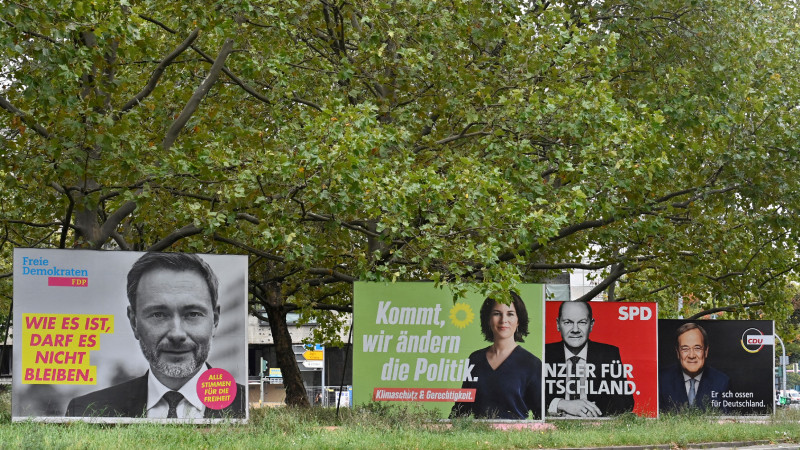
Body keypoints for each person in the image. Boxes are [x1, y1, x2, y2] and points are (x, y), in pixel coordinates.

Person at [66, 252, 245, 419]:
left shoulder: (248, 406)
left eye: (192, 314)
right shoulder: (87, 410)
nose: (177, 334)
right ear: (134, 322)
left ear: (215, 320)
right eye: (158, 314)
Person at [451, 292, 542, 420]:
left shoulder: (532, 364)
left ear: (518, 320)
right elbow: (461, 409)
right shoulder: (475, 359)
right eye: (496, 313)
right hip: (477, 436)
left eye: (510, 314)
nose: (503, 320)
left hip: (515, 437)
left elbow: (541, 414)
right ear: (488, 319)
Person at [545, 301, 634, 417]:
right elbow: (527, 398)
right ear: (558, 324)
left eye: (582, 322)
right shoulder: (544, 353)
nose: (575, 329)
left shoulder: (608, 354)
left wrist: (587, 411)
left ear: (591, 325)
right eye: (568, 322)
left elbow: (626, 402)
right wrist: (561, 404)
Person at [659, 322, 730, 413]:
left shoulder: (722, 382)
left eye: (697, 348)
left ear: (706, 351)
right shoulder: (661, 380)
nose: (691, 355)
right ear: (677, 352)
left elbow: (728, 420)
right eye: (685, 349)